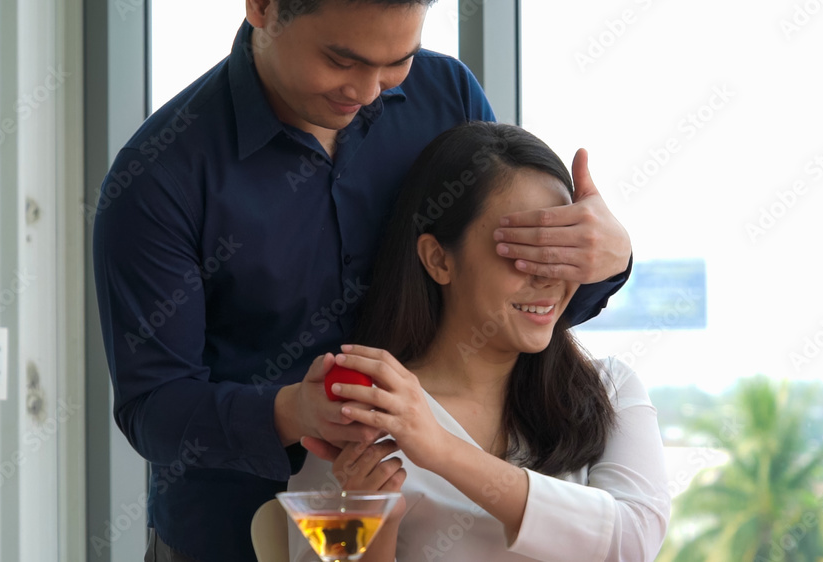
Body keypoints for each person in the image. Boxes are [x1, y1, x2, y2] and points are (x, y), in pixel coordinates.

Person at [91, 0, 634, 560]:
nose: (370, 90)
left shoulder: (445, 95)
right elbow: (153, 408)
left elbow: (496, 294)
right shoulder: (159, 178)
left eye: (398, 61)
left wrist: (605, 260)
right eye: (341, 59)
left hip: (424, 524)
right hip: (229, 536)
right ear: (263, 8)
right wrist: (294, 412)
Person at [288, 121, 670, 562]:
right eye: (521, 251)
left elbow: (632, 542)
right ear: (438, 259)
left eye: (560, 250)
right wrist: (376, 528)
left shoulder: (610, 389)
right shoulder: (363, 417)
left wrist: (442, 449)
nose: (547, 275)